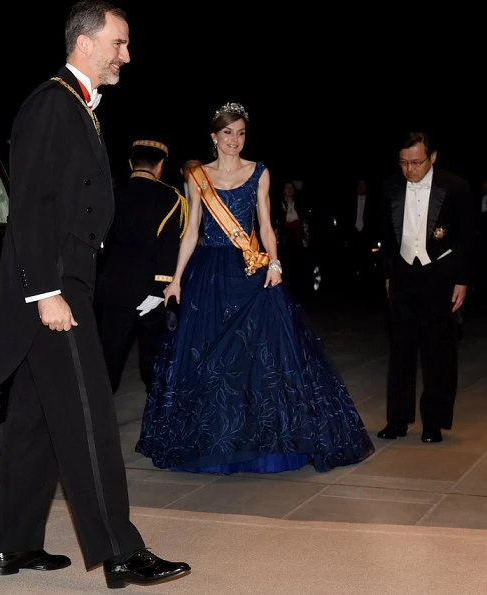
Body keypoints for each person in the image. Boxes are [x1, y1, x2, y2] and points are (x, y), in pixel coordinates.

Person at [0, 1, 190, 589]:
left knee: (35, 422)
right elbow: (33, 207)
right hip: (53, 287)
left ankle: (11, 545)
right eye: (119, 42)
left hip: (64, 283)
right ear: (86, 42)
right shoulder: (52, 103)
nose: (127, 54)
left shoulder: (78, 108)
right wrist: (46, 292)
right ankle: (120, 552)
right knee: (91, 418)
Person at [135, 102, 375, 474]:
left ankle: (264, 439)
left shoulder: (259, 172)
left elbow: (265, 225)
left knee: (261, 357)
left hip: (250, 270)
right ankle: (214, 440)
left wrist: (274, 262)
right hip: (210, 273)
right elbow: (191, 231)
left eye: (241, 132)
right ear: (214, 137)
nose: (235, 140)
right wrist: (176, 279)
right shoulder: (198, 175)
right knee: (209, 360)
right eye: (227, 132)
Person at [378, 130, 474, 444]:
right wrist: (389, 273)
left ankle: (433, 423)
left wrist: (462, 279)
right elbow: (386, 238)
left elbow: (468, 238)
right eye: (404, 163)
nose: (410, 170)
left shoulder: (456, 187)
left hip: (440, 275)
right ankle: (397, 420)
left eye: (417, 163)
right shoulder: (390, 186)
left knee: (438, 352)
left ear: (432, 158)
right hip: (404, 275)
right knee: (401, 351)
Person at [94, 137, 188, 393]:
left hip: (113, 288)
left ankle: (96, 421)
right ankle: (157, 418)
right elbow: (171, 248)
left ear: (130, 163)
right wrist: (162, 288)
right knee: (153, 359)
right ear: (160, 166)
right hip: (151, 290)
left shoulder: (110, 196)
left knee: (109, 357)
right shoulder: (173, 199)